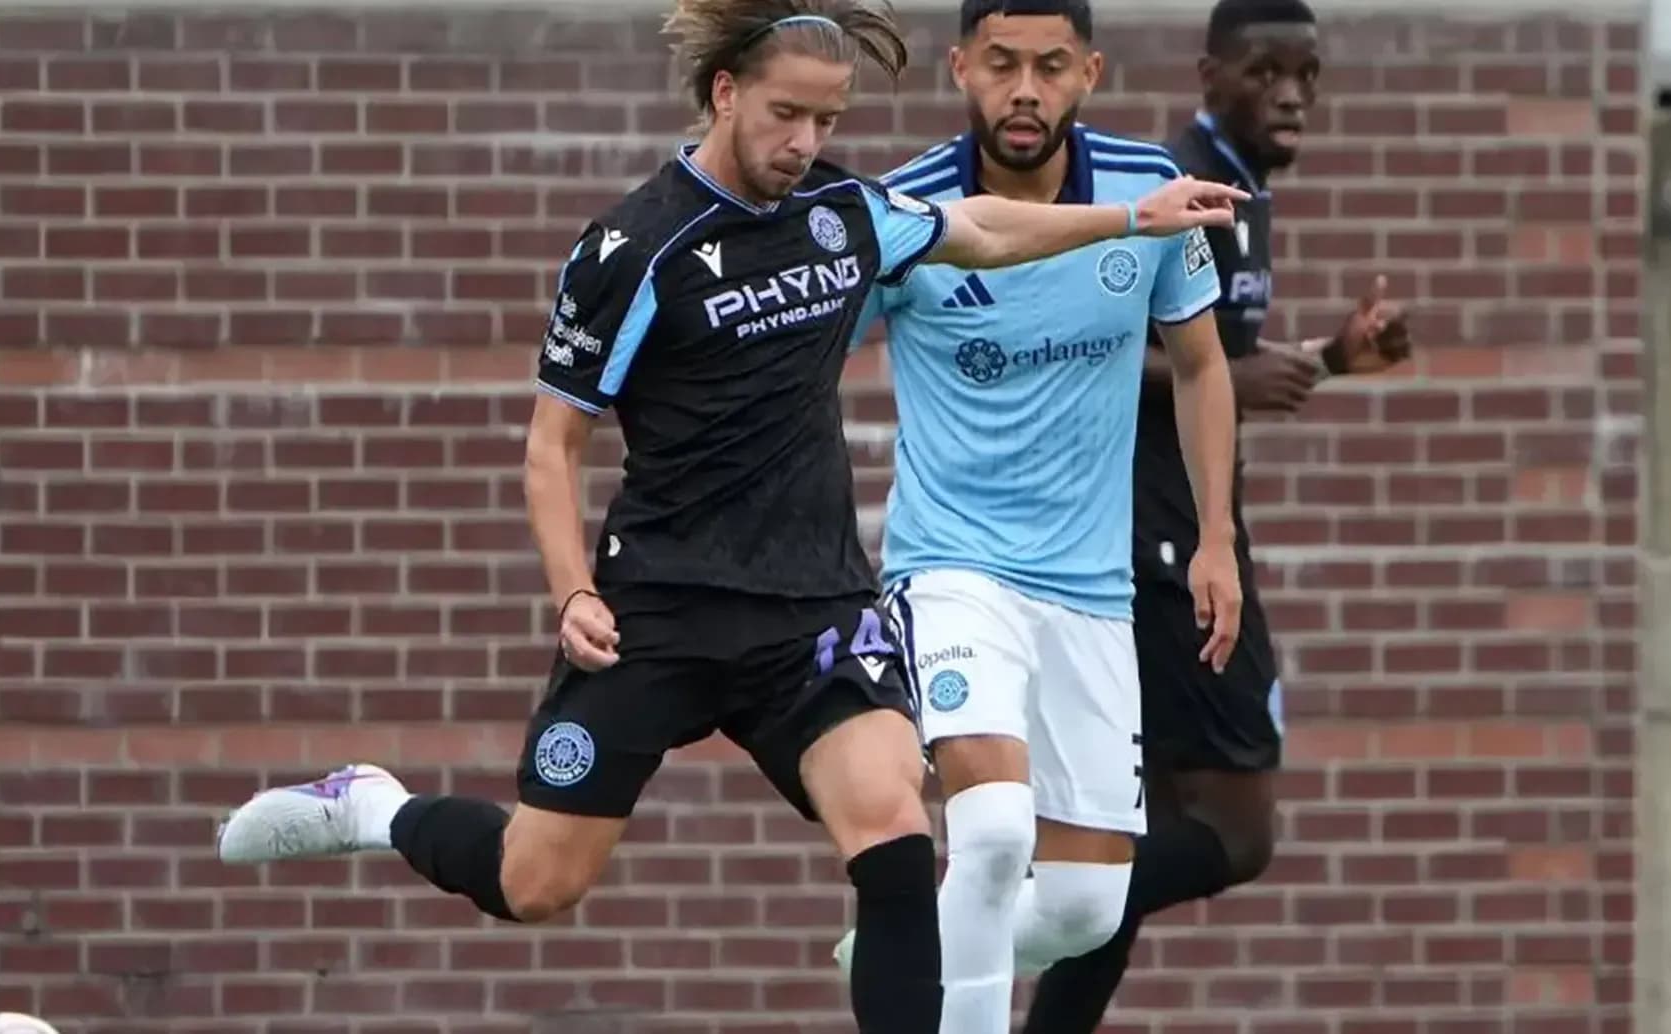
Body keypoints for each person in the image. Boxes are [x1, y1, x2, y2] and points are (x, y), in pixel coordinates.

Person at [211, 2, 1248, 1032]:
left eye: (827, 122)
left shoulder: (843, 212)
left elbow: (974, 228)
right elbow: (551, 444)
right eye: (785, 115)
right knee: (537, 880)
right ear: (724, 92)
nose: (804, 144)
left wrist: (1126, 218)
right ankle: (377, 806)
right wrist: (571, 586)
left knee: (896, 833)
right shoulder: (633, 248)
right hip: (658, 608)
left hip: (811, 612)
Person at [826, 2, 1244, 1031]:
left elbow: (1199, 363)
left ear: (1089, 71)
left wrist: (1216, 533)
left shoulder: (1152, 191)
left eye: (1050, 66)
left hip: (1090, 587)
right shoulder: (910, 211)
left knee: (1085, 906)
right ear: (960, 65)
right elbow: (808, 364)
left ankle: (906, 944)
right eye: (1002, 64)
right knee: (997, 830)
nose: (1025, 90)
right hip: (952, 567)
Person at [1018, 1, 1414, 1031]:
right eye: (1264, 70)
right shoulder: (1177, 188)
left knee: (1137, 836)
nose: (1290, 92)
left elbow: (1218, 376)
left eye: (1307, 73)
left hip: (1170, 532)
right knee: (1236, 835)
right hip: (1159, 545)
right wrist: (1229, 385)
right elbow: (1076, 345)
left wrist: (1329, 360)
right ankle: (981, 910)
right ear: (1208, 75)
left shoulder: (1245, 192)